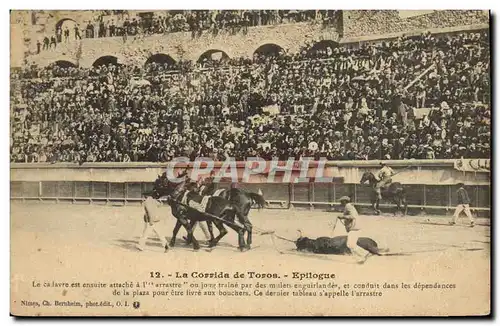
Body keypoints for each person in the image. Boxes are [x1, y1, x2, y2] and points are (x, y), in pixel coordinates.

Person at [337, 196, 370, 264]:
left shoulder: (348, 206)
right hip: (354, 227)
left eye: (341, 202)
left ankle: (364, 253)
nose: (341, 203)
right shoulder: (349, 206)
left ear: (345, 201)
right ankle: (360, 258)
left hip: (354, 228)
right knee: (351, 245)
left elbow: (353, 216)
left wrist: (342, 216)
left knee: (350, 244)